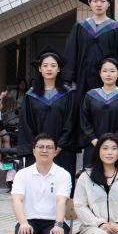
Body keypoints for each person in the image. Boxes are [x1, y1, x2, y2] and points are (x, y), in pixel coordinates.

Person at [18, 49, 77, 185]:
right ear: (40, 69)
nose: (49, 69)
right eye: (45, 65)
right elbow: (26, 123)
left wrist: (59, 146)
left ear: (59, 69)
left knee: (62, 186)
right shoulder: (31, 95)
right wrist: (37, 147)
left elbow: (71, 122)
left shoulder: (68, 94)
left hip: (62, 151)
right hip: (38, 151)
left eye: (53, 65)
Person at [64, 0, 118, 93]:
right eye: (95, 1)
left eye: (103, 1)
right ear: (89, 3)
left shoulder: (117, 28)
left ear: (108, 3)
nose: (99, 4)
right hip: (83, 79)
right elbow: (71, 54)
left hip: (108, 81)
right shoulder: (80, 27)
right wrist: (68, 79)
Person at [78, 57, 118, 170]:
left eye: (112, 71)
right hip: (93, 146)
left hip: (117, 147)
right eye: (105, 71)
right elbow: (84, 121)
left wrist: (112, 143)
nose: (108, 74)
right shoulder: (90, 96)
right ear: (100, 73)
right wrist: (94, 140)